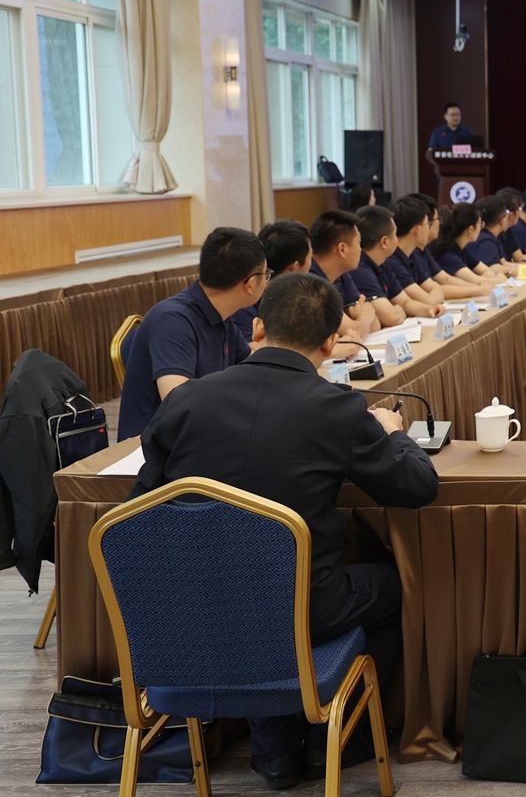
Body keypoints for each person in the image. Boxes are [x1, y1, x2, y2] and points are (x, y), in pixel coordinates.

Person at [132, 273, 439, 788]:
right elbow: (417, 487)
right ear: (330, 343)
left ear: (256, 328)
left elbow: (140, 510)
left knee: (248, 586)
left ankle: (274, 751)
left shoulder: (184, 402)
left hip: (190, 609)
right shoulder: (338, 407)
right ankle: (336, 741)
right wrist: (394, 435)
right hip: (303, 608)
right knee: (392, 585)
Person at [118, 228, 266, 440]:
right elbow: (178, 403)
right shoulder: (172, 321)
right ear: (251, 284)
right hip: (156, 448)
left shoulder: (220, 316)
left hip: (201, 436)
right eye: (266, 275)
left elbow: (252, 363)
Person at [231, 220, 313, 345]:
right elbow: (251, 348)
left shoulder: (299, 295)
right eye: (310, 258)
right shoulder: (247, 300)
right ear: (294, 267)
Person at [347, 206, 424, 326]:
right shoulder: (359, 269)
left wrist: (429, 310)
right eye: (395, 234)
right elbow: (391, 317)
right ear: (384, 242)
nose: (397, 240)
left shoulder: (383, 263)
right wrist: (398, 310)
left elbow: (405, 302)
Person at [309, 209, 377, 340]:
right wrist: (363, 317)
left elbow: (375, 326)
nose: (361, 250)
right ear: (342, 249)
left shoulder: (341, 274)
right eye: (359, 243)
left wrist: (361, 318)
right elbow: (355, 330)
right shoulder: (311, 282)